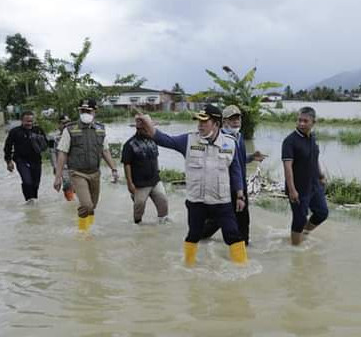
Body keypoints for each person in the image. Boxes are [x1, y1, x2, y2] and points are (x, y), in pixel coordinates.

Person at [138, 104, 248, 265]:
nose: (200, 125)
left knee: (233, 234)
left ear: (216, 123)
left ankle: (242, 268)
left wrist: (239, 195)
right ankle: (188, 268)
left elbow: (236, 170)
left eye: (204, 121)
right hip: (197, 201)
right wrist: (147, 123)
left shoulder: (230, 143)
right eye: (198, 121)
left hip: (221, 201)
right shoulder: (188, 140)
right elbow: (164, 139)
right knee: (194, 235)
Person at [201, 104, 266, 244]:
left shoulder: (239, 137)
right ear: (224, 122)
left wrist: (251, 157)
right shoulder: (220, 139)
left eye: (238, 118)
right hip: (225, 188)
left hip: (240, 187)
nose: (236, 121)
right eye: (232, 119)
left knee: (242, 219)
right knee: (217, 220)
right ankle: (199, 237)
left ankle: (244, 245)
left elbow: (237, 161)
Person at [53, 99, 119, 231]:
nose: (85, 113)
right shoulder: (70, 129)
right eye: (82, 110)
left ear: (95, 112)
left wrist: (114, 169)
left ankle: (89, 230)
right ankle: (82, 233)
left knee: (92, 206)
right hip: (77, 173)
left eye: (88, 111)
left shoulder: (100, 129)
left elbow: (105, 151)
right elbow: (62, 153)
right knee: (86, 205)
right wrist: (58, 176)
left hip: (95, 173)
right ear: (79, 111)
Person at [281, 106, 328, 245]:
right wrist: (292, 190)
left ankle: (303, 234)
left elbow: (314, 158)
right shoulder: (290, 141)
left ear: (313, 122)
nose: (301, 123)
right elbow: (287, 167)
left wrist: (320, 175)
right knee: (300, 218)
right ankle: (295, 247)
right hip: (298, 187)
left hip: (314, 184)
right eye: (299, 120)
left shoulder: (312, 137)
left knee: (322, 213)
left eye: (305, 121)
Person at [121, 112, 169, 224]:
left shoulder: (153, 141)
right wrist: (130, 183)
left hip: (155, 180)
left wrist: (158, 171)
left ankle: (163, 222)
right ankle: (137, 224)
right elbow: (126, 164)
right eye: (146, 128)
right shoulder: (129, 144)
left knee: (163, 200)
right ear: (139, 129)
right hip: (140, 183)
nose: (148, 130)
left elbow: (155, 157)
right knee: (140, 204)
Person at [4, 110, 48, 203]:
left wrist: (40, 141)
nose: (29, 123)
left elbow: (45, 145)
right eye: (27, 121)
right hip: (21, 160)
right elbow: (8, 147)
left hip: (36, 160)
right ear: (22, 120)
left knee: (36, 183)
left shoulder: (38, 130)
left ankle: (34, 200)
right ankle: (29, 200)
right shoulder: (15, 132)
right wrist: (8, 161)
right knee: (27, 181)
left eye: (31, 121)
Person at [49, 114, 74, 201]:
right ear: (59, 124)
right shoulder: (53, 137)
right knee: (67, 184)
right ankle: (70, 202)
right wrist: (55, 167)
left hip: (76, 165)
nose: (66, 125)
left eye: (68, 123)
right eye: (64, 123)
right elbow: (52, 153)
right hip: (62, 166)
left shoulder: (75, 134)